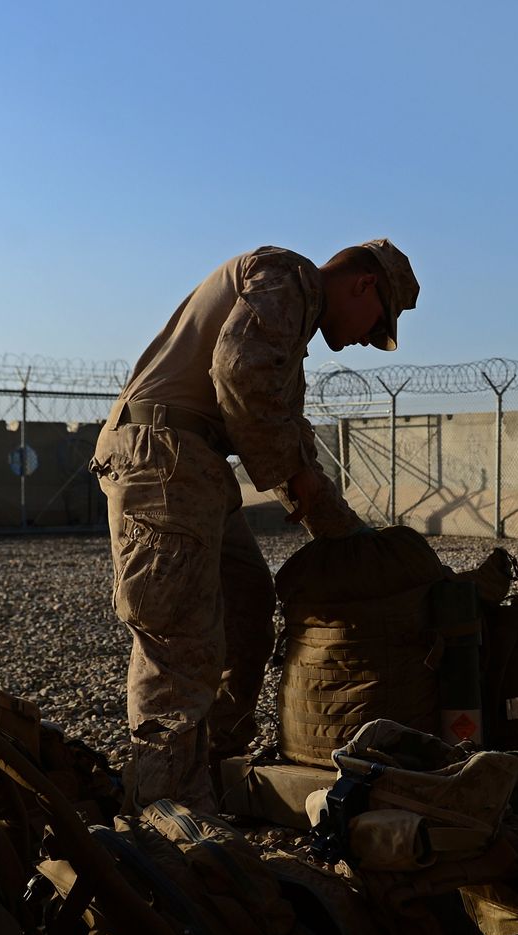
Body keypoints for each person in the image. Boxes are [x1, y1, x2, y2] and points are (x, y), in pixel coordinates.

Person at [93, 240, 419, 812]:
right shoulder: (286, 277)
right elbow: (239, 375)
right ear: (363, 285)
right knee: (179, 646)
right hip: (164, 458)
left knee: (246, 609)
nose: (371, 338)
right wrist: (296, 477)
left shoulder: (289, 326)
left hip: (194, 469)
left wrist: (351, 541)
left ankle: (213, 773)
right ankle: (167, 816)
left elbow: (281, 430)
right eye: (378, 324)